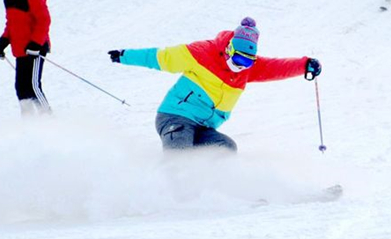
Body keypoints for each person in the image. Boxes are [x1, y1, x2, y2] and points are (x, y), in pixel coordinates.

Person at [108, 17, 322, 152]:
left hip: (204, 127)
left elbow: (277, 67)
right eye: (239, 59)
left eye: (248, 61)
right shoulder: (201, 53)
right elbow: (160, 58)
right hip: (175, 116)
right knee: (180, 155)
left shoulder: (247, 69)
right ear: (229, 50)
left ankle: (218, 193)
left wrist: (305, 65)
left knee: (225, 148)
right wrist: (124, 56)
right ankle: (162, 194)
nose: (242, 65)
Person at [0, 0, 52, 115]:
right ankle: (28, 122)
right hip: (20, 49)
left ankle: (49, 119)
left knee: (33, 86)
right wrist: (3, 42)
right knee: (21, 88)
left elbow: (44, 20)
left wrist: (35, 44)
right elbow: (11, 23)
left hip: (36, 48)